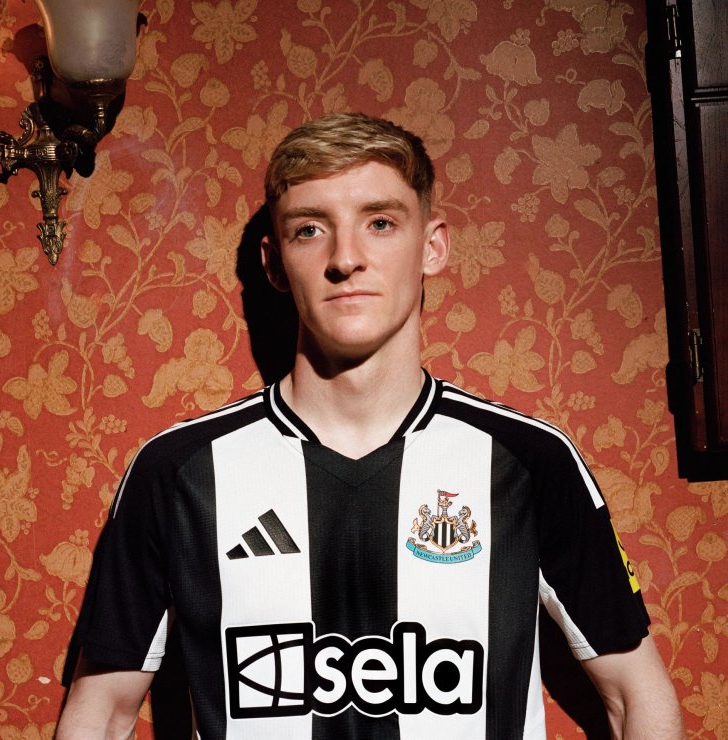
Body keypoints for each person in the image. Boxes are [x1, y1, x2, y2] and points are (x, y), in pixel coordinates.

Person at [56, 113, 685, 739]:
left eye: (380, 223)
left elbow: (635, 696)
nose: (346, 259)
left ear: (433, 246)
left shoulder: (528, 461)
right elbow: (102, 715)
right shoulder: (178, 473)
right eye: (310, 230)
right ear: (274, 264)